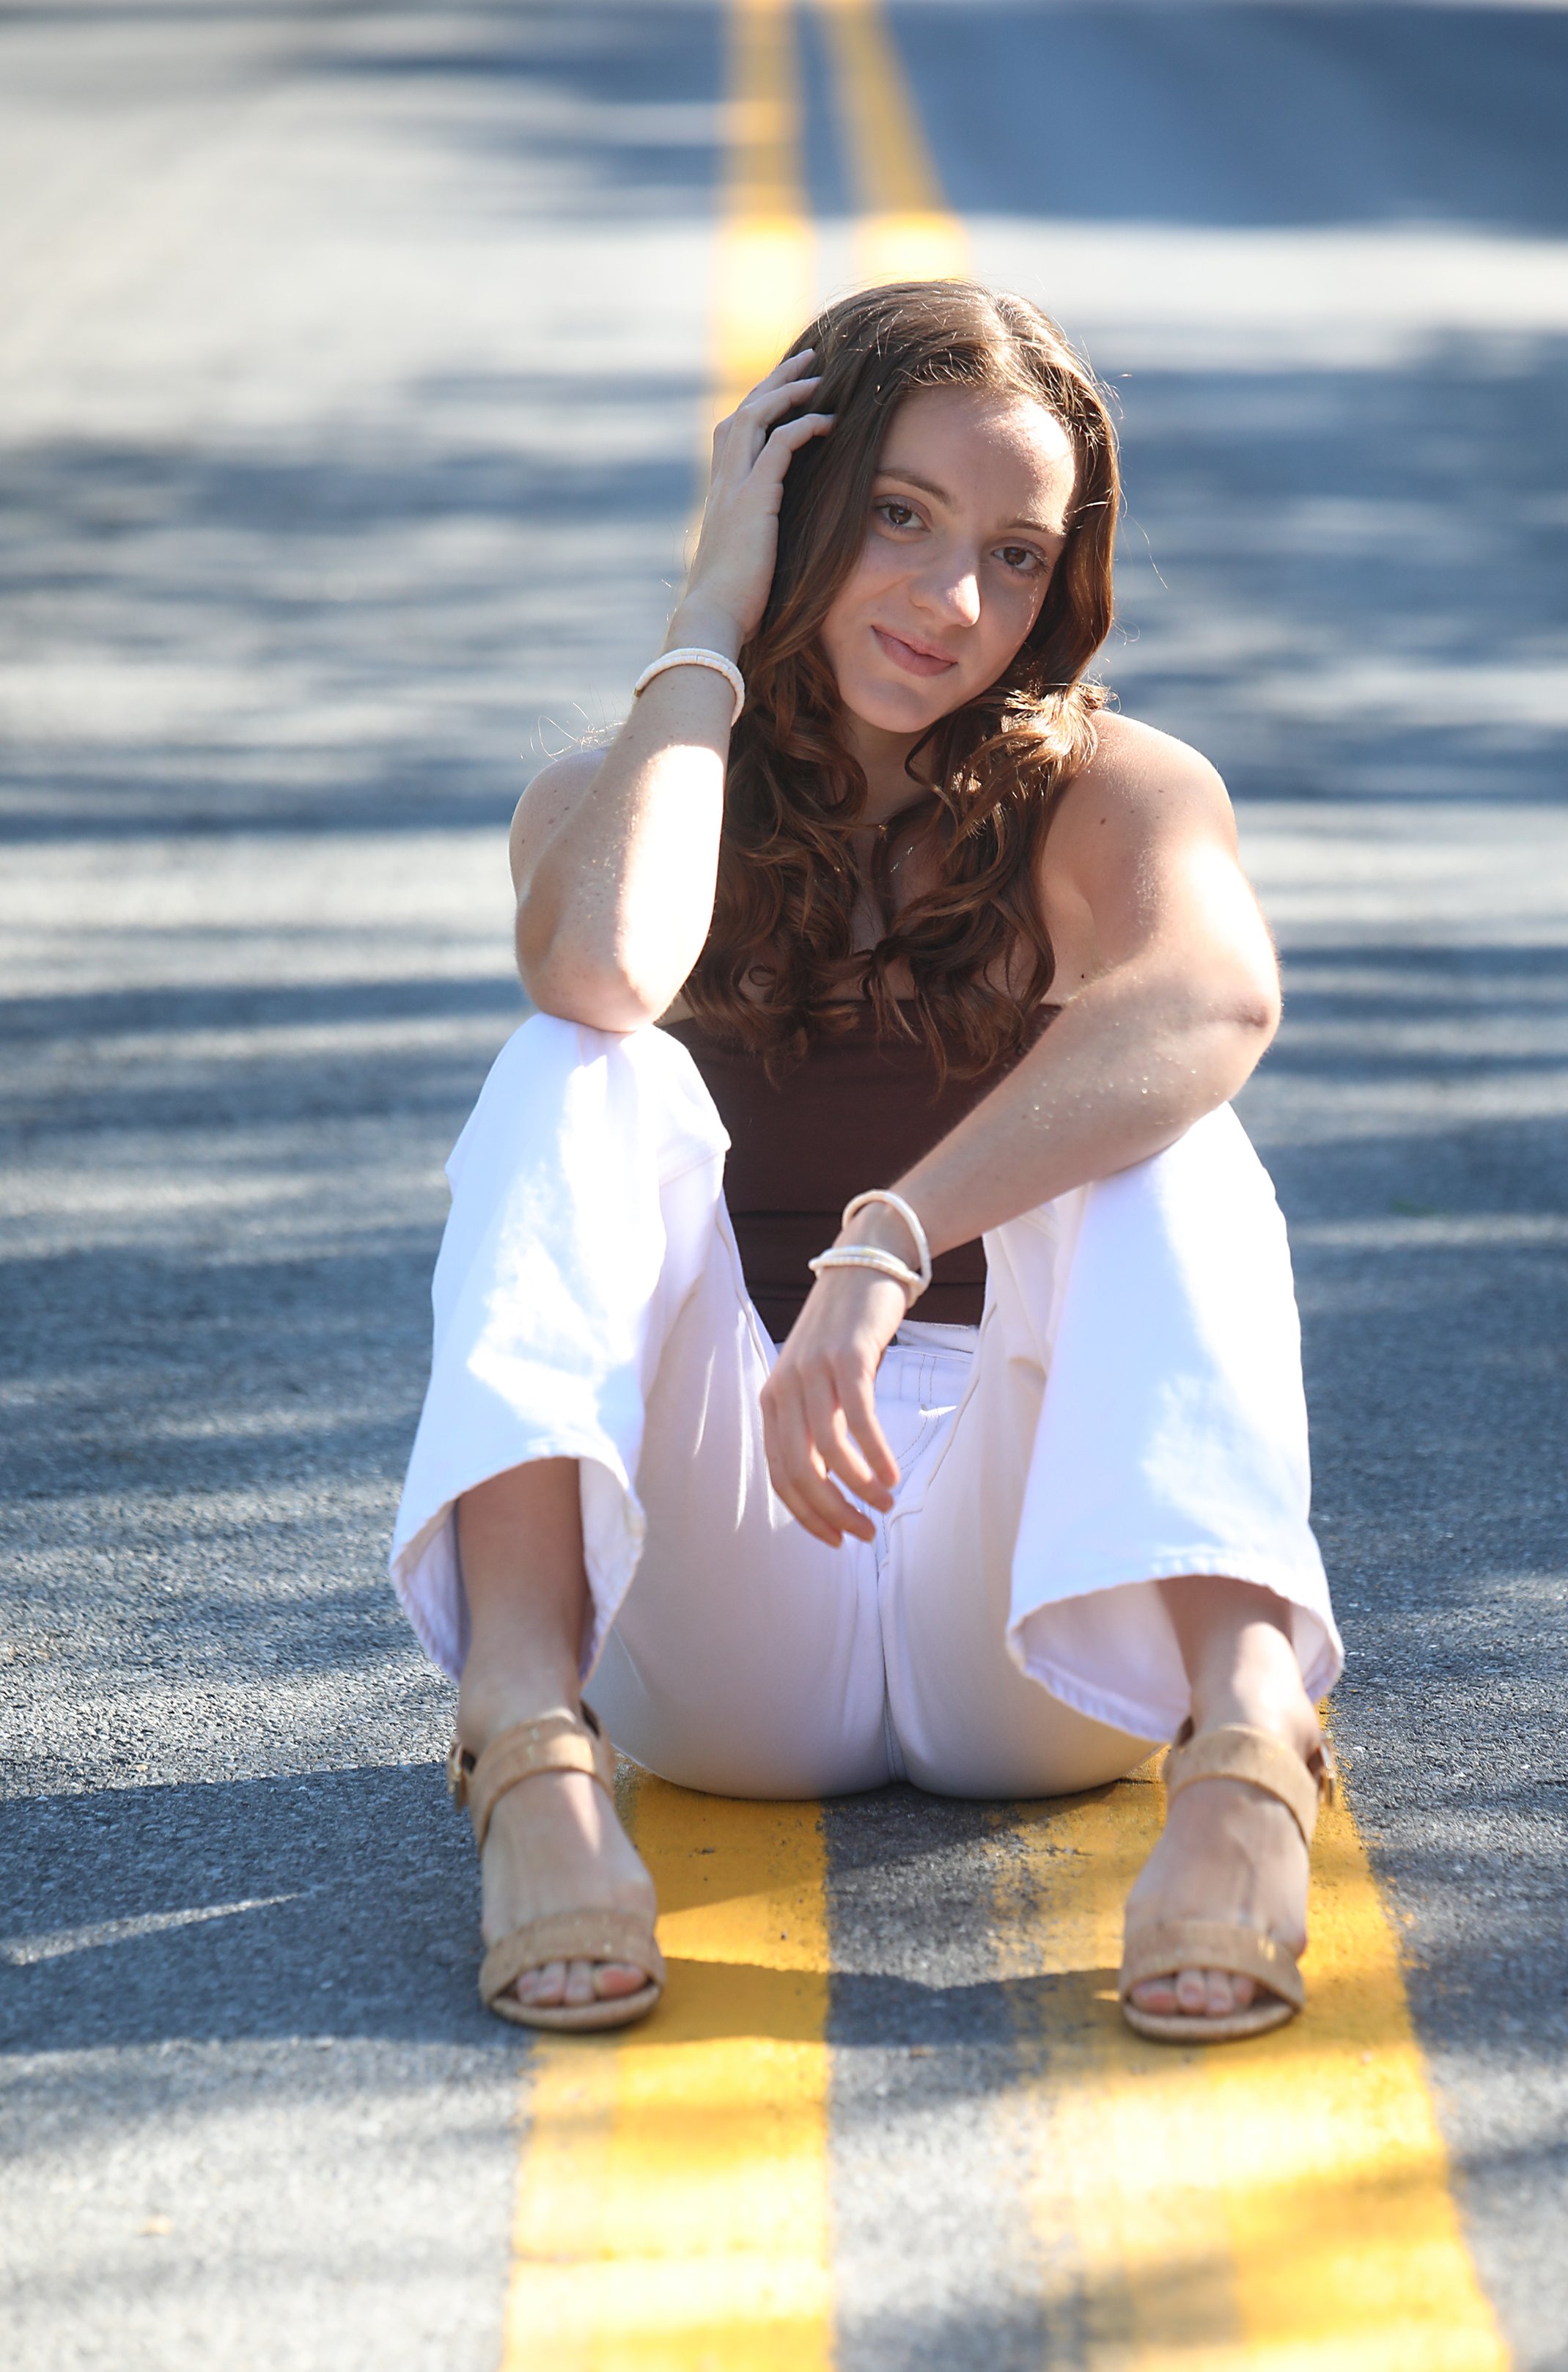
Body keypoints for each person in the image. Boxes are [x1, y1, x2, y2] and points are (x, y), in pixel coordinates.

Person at [391, 281, 1341, 2044]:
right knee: (569, 1066)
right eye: (896, 517)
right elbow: (602, 970)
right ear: (793, 504)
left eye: (1010, 553)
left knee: (1169, 1132)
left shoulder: (1111, 790)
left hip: (1036, 1592)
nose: (949, 599)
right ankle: (527, 1759)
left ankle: (1241, 1754)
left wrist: (888, 1240)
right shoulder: (612, 795)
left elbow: (1213, 997)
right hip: (726, 1598)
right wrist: (705, 620)